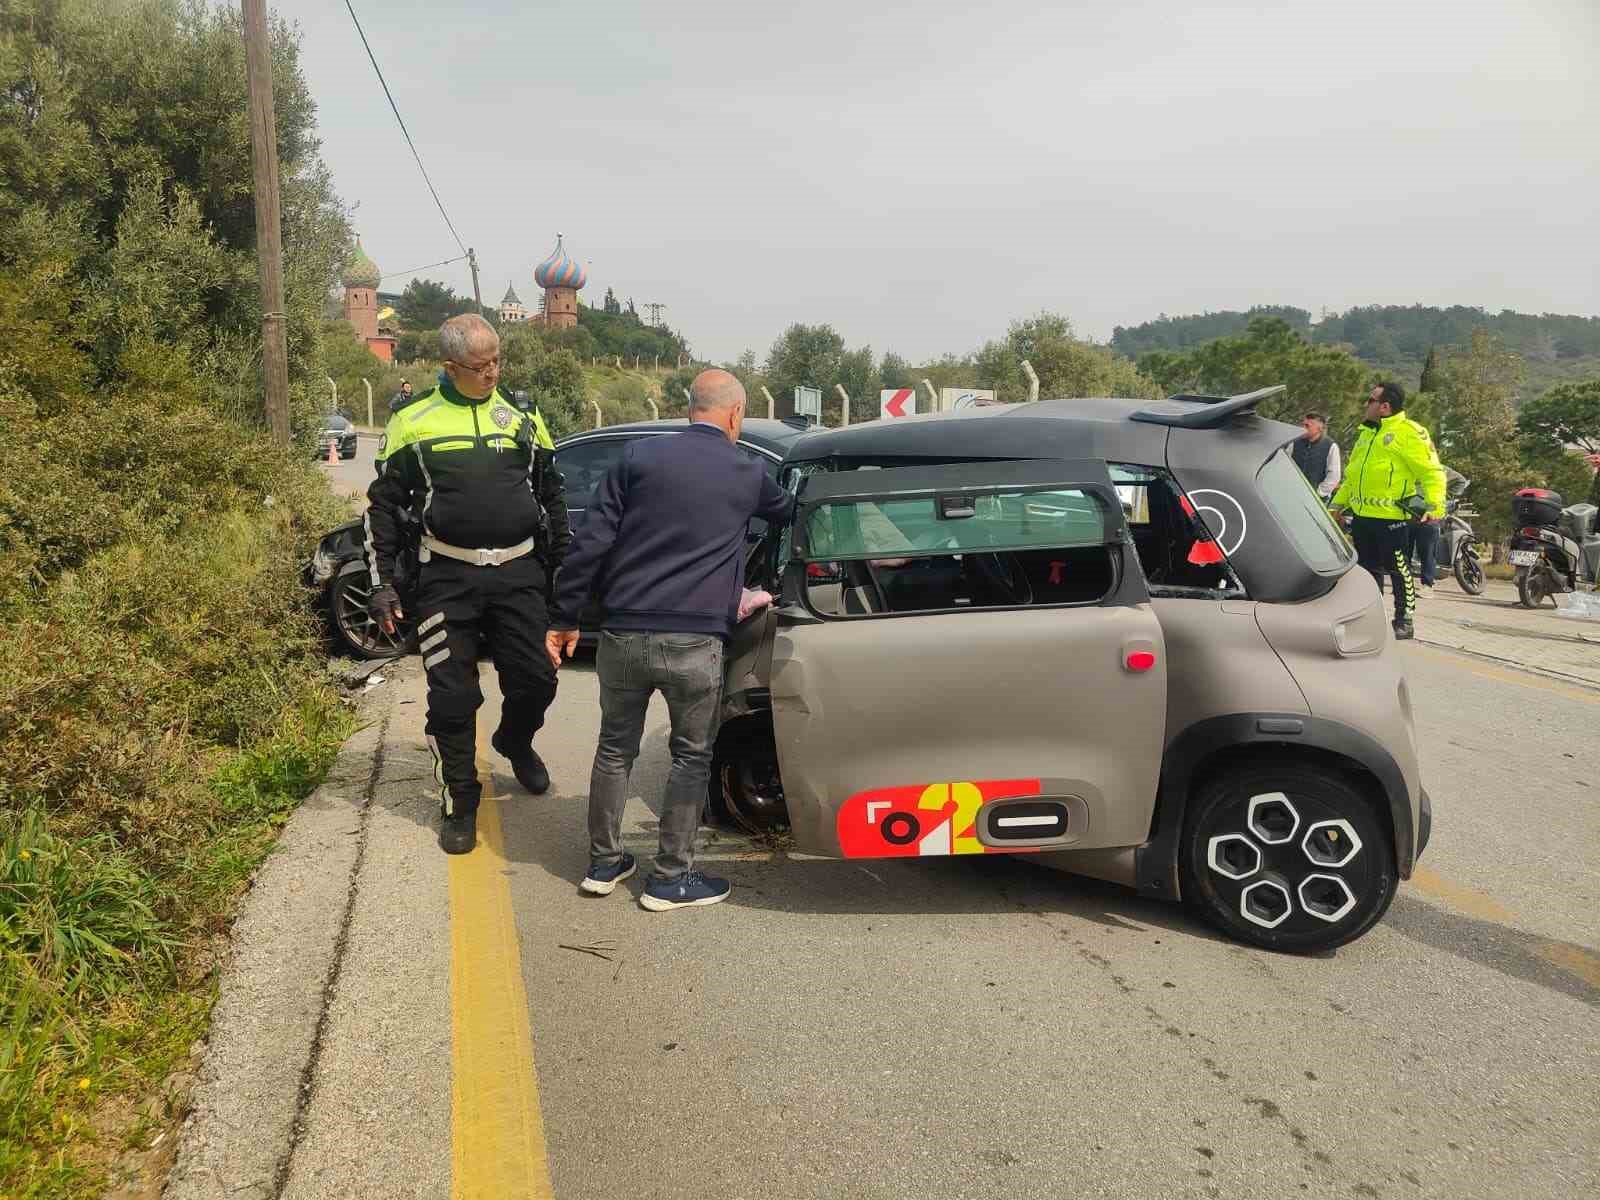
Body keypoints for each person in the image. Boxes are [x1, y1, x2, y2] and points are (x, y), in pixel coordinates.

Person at [546, 369, 794, 912]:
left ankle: (604, 863)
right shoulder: (746, 472)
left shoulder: (635, 459)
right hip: (694, 641)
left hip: (622, 635)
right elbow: (791, 512)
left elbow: (589, 544)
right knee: (690, 756)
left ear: (690, 410)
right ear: (735, 414)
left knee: (615, 749)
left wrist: (564, 617)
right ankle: (670, 879)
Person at [365, 314, 569, 854]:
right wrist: (383, 582)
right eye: (481, 367)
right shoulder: (413, 419)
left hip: (519, 573)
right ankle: (460, 799)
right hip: (446, 578)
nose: (492, 374)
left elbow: (552, 494)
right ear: (451, 367)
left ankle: (515, 740)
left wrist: (564, 573)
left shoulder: (522, 415)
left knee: (537, 681)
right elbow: (383, 508)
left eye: (497, 361)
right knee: (453, 699)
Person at [1330, 382, 1445, 640]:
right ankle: (1370, 618)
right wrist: (1336, 506)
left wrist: (1435, 505)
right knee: (1368, 572)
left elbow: (1432, 472)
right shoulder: (1366, 434)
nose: (1365, 404)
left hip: (1393, 519)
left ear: (1384, 406)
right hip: (1362, 518)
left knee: (1399, 570)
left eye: (1370, 400)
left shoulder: (1410, 432)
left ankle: (1404, 620)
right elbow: (1351, 477)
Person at [1292, 412, 1342, 498]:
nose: (1303, 428)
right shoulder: (1294, 441)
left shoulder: (1331, 446)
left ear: (1319, 429)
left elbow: (1334, 476)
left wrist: (1317, 493)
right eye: (1302, 425)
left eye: (1307, 426)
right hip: (1290, 491)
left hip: (1313, 498)